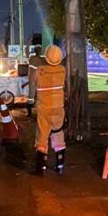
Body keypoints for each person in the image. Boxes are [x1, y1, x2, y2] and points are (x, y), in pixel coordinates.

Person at [34, 45, 66, 175]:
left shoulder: (40, 71)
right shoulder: (62, 70)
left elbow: (35, 82)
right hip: (58, 108)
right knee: (58, 134)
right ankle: (59, 166)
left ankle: (41, 168)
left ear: (46, 57)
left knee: (42, 137)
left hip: (44, 109)